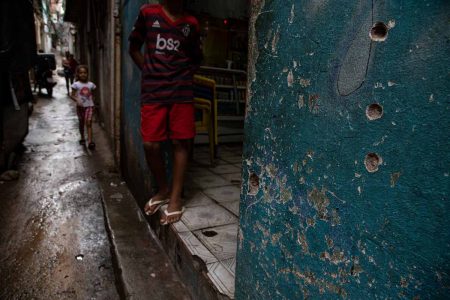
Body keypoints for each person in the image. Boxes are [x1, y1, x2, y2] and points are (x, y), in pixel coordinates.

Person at [128, 0, 203, 225]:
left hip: (181, 92)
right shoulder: (148, 13)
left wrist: (181, 77)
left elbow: (196, 60)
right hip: (154, 92)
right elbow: (133, 48)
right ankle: (163, 189)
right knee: (151, 144)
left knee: (182, 142)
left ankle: (175, 198)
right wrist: (151, 73)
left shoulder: (191, 23)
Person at [69, 65, 97, 150]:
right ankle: (82, 137)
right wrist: (77, 100)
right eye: (81, 73)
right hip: (80, 107)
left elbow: (94, 94)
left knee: (88, 123)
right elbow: (72, 95)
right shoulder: (76, 85)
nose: (83, 74)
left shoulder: (91, 85)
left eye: (85, 72)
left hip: (89, 107)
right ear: (78, 74)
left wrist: (94, 103)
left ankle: (90, 142)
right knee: (81, 122)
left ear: (87, 74)